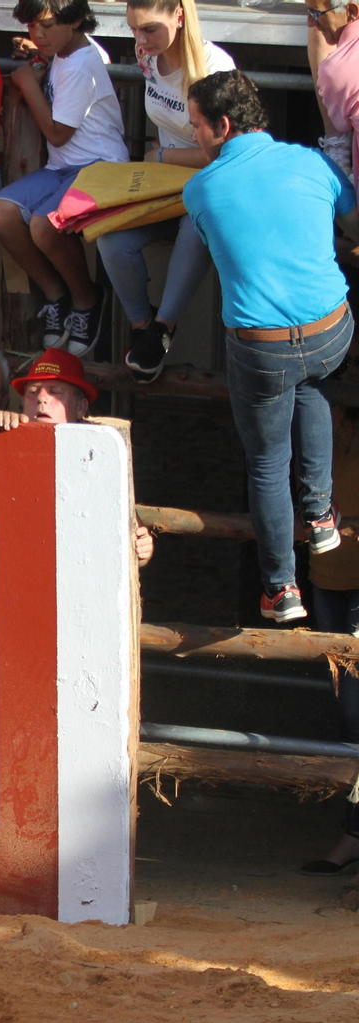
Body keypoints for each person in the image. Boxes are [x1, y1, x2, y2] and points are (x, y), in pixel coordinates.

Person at [184, 69, 358, 622]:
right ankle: (321, 514)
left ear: (222, 126)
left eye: (196, 125)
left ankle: (282, 587)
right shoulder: (314, 162)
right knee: (310, 382)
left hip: (263, 351)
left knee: (266, 462)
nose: (192, 135)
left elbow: (218, 245)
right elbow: (352, 217)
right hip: (333, 331)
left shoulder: (200, 189)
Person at [96, 0, 233, 383]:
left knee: (194, 227)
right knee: (110, 239)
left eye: (149, 29)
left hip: (206, 186)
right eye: (133, 29)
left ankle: (164, 327)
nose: (140, 40)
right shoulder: (147, 57)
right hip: (164, 184)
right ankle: (143, 326)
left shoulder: (214, 67)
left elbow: (227, 151)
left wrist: (165, 156)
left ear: (179, 16)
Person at [0, 0, 126, 358]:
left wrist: (26, 83)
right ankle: (56, 294)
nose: (38, 34)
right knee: (1, 211)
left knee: (44, 225)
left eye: (46, 26)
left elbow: (57, 133)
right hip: (62, 168)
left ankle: (86, 298)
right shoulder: (70, 49)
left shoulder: (81, 64)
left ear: (75, 20)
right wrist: (41, 56)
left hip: (100, 166)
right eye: (32, 26)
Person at [0, 349, 155, 565]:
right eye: (33, 391)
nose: (41, 398)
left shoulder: (100, 453)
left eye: (55, 391)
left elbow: (128, 533)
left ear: (81, 407)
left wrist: (142, 550)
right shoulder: (6, 437)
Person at [303, 402, 359, 877]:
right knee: (348, 712)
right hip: (327, 575)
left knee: (356, 713)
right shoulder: (323, 407)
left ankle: (353, 836)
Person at [308, 0, 359, 181]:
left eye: (316, 14)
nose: (310, 22)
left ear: (352, 11)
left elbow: (342, 124)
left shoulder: (335, 71)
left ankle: (337, 143)